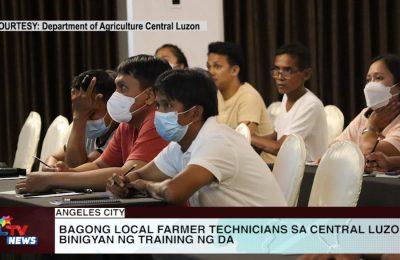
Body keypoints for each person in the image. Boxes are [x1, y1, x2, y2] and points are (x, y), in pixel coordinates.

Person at [107, 69, 287, 207]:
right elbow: (139, 173)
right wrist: (123, 182)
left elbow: (173, 192)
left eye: (167, 105)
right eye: (158, 105)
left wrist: (143, 186)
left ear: (195, 112)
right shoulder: (181, 145)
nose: (158, 113)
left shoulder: (217, 141)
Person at [15, 55, 170, 193]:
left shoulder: (158, 121)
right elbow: (100, 165)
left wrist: (54, 179)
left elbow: (128, 174)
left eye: (123, 87)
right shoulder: (127, 124)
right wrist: (68, 173)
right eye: (116, 88)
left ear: (149, 96)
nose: (115, 95)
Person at [251, 43, 328, 162]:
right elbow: (276, 136)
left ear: (306, 74)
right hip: (289, 169)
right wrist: (249, 142)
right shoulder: (287, 96)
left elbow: (281, 147)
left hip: (308, 173)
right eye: (277, 70)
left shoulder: (311, 105)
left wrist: (247, 137)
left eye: (287, 71)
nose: (280, 77)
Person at [45, 69, 118, 168]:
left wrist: (79, 117)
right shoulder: (87, 131)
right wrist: (50, 168)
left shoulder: (119, 134)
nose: (87, 120)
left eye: (91, 113)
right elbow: (53, 157)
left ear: (112, 106)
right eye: (80, 109)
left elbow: (76, 168)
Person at [336, 54, 400, 158]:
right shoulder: (366, 114)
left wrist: (371, 126)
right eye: (368, 80)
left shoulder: (373, 120)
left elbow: (369, 155)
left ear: (398, 86)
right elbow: (335, 148)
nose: (371, 85)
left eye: (378, 78)